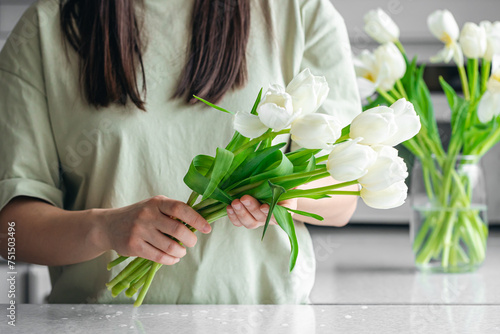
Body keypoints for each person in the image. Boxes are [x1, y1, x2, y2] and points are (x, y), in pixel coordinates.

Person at [0, 0, 360, 304]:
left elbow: (344, 197)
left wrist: (284, 196)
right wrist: (103, 229)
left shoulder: (299, 11)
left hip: (263, 321)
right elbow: (10, 232)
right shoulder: (46, 28)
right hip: (100, 322)